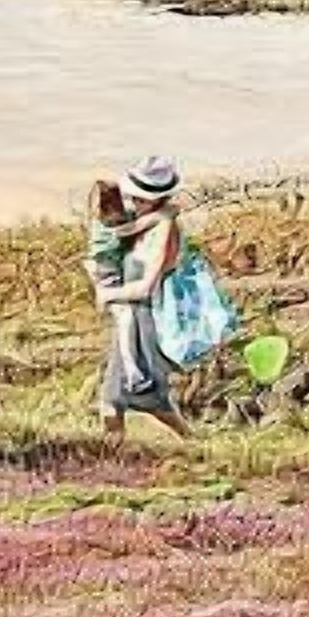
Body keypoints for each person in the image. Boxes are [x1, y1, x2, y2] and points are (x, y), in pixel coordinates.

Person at [90, 161, 193, 441]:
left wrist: (109, 294)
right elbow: (111, 239)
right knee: (113, 399)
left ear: (158, 198)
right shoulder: (148, 223)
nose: (133, 201)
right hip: (130, 321)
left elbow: (147, 287)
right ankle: (115, 457)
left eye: (139, 198)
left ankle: (191, 440)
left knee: (143, 397)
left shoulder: (165, 231)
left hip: (145, 323)